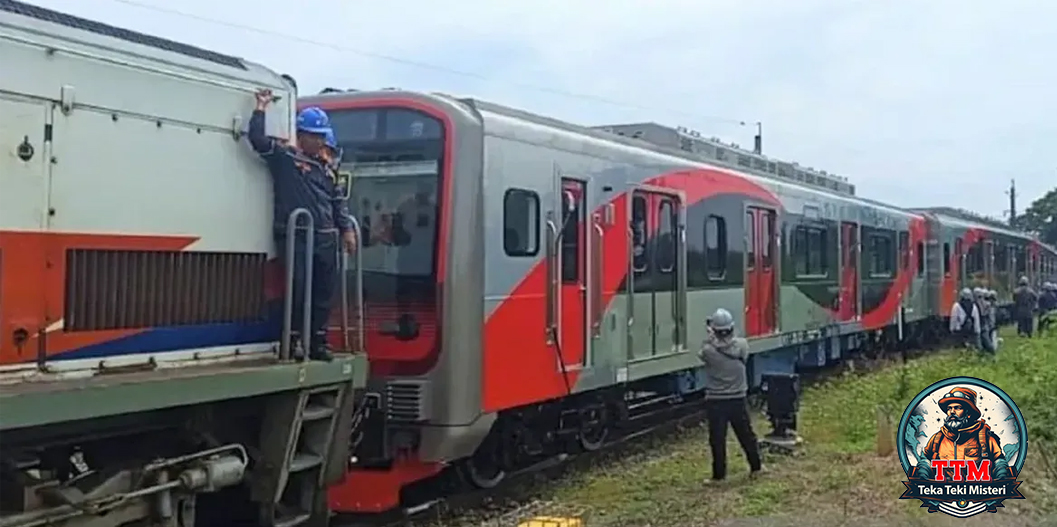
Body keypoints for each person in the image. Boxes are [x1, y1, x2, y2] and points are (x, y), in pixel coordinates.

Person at [247, 89, 357, 361]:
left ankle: (318, 342)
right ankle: (294, 338)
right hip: (296, 235)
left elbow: (337, 200)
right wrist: (260, 108)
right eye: (313, 135)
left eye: (321, 136)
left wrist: (347, 230)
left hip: (326, 236)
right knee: (298, 287)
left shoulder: (326, 168)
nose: (318, 141)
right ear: (301, 134)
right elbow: (258, 140)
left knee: (323, 290)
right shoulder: (286, 158)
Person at [698, 308, 764, 483]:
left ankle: (719, 476)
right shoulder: (742, 345)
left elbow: (703, 353)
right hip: (738, 398)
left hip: (716, 401)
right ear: (732, 328)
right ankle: (756, 467)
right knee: (746, 434)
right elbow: (738, 350)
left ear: (714, 330)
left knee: (718, 439)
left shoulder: (708, 351)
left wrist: (711, 336)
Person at [974, 288, 995, 353]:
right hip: (982, 324)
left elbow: (987, 315)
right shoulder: (984, 304)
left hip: (983, 324)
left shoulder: (984, 304)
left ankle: (990, 352)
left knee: (986, 340)